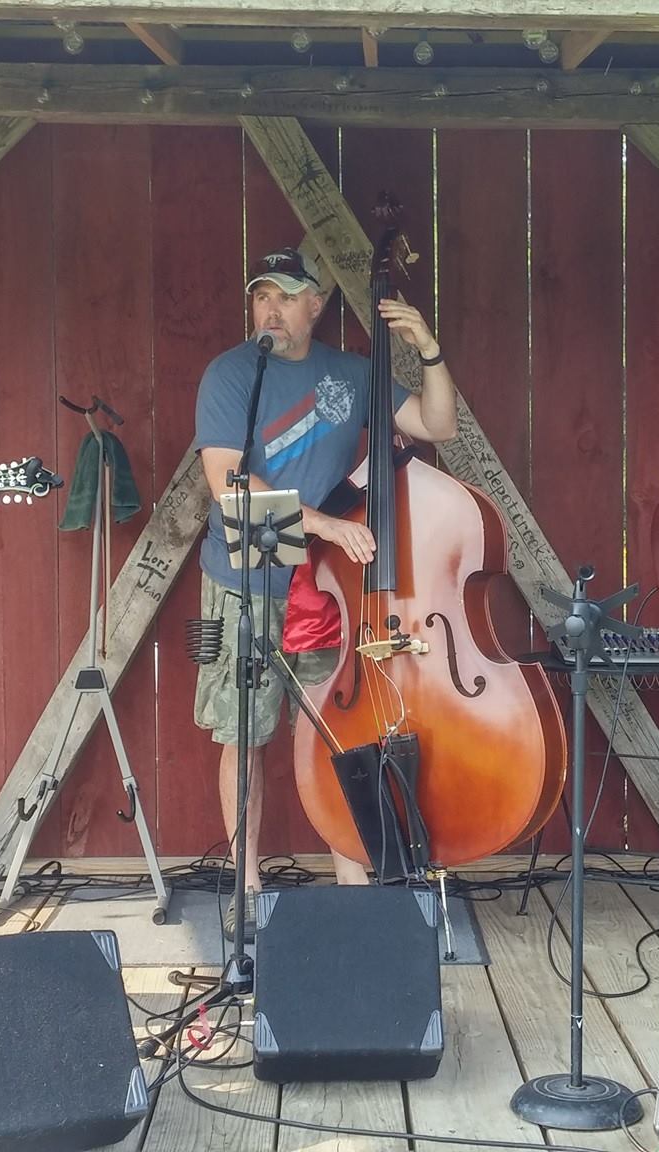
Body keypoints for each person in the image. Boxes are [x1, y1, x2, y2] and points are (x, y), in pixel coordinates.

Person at [191, 245, 459, 939]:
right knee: (243, 732)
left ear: (317, 305)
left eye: (285, 296)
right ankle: (246, 890)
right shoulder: (230, 373)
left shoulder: (350, 371)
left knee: (338, 737)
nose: (271, 309)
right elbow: (227, 489)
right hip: (245, 573)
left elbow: (438, 426)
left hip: (327, 585)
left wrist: (427, 350)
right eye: (261, 296)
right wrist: (326, 526)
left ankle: (353, 885)